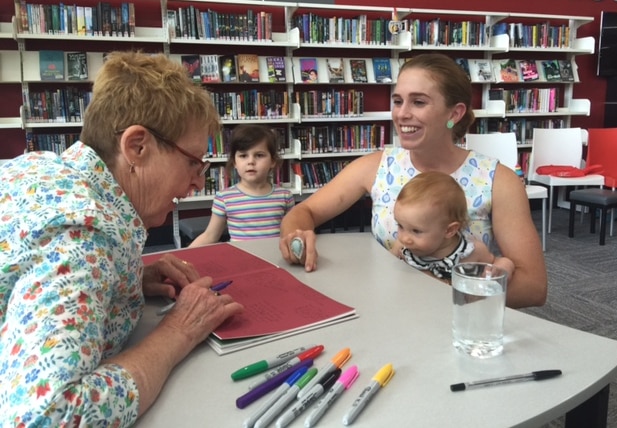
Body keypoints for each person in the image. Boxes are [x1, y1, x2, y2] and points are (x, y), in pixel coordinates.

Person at [0, 51, 244, 426]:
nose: (198, 181)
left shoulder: (45, 167)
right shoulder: (80, 237)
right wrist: (178, 331)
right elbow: (49, 416)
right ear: (137, 147)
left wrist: (126, 275)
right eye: (193, 162)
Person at [279, 53, 547, 309]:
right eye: (398, 101)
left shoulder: (497, 180)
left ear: (454, 114)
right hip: (385, 310)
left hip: (455, 321)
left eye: (418, 102)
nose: (402, 114)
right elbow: (305, 211)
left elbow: (533, 288)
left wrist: (437, 285)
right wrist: (297, 236)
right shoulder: (377, 165)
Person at [390, 171, 515, 283]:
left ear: (449, 230)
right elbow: (386, 269)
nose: (404, 238)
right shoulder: (402, 248)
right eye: (400, 226)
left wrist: (503, 268)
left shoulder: (472, 252)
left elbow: (499, 262)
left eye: (416, 231)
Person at [189, 124, 294, 246]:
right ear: (234, 162)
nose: (251, 162)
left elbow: (291, 234)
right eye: (243, 156)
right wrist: (183, 255)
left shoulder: (285, 196)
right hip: (242, 260)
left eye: (259, 155)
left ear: (272, 161)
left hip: (274, 259)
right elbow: (210, 236)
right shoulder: (225, 198)